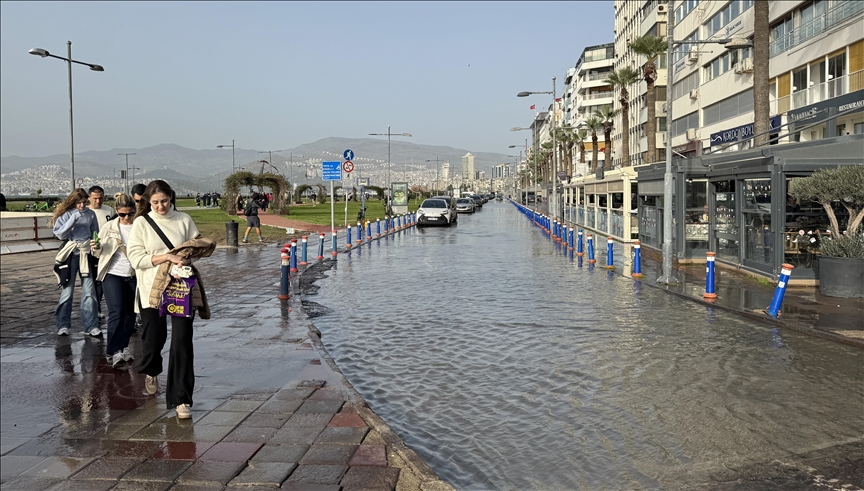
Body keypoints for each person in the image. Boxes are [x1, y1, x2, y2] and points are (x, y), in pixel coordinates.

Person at [127, 180, 205, 419]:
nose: (161, 206)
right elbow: (135, 258)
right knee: (154, 338)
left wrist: (187, 259)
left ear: (171, 198)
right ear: (148, 202)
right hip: (152, 289)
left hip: (180, 288)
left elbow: (195, 248)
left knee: (182, 340)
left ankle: (182, 399)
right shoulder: (141, 223)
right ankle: (151, 370)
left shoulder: (183, 220)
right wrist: (166, 257)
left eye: (164, 201)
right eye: (155, 202)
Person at [92, 193, 137, 368]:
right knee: (117, 311)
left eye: (130, 214)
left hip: (133, 273)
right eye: (122, 214)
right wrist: (95, 247)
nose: (126, 218)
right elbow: (98, 252)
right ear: (116, 212)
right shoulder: (108, 227)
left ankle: (124, 346)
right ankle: (115, 350)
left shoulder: (140, 227)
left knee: (131, 313)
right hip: (113, 273)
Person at [52, 188, 101, 337]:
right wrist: (73, 219)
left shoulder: (91, 214)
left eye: (84, 202)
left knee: (89, 291)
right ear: (73, 202)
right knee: (67, 290)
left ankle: (91, 325)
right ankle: (63, 324)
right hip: (71, 253)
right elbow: (59, 233)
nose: (82, 206)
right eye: (79, 203)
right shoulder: (66, 214)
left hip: (85, 253)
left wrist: (96, 244)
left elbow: (95, 233)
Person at [89, 186, 115, 319]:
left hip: (107, 251)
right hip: (91, 251)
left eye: (100, 198)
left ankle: (101, 306)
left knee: (102, 280)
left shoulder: (109, 210)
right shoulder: (86, 212)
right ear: (89, 198)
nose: (98, 201)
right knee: (93, 281)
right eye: (95, 198)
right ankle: (94, 307)